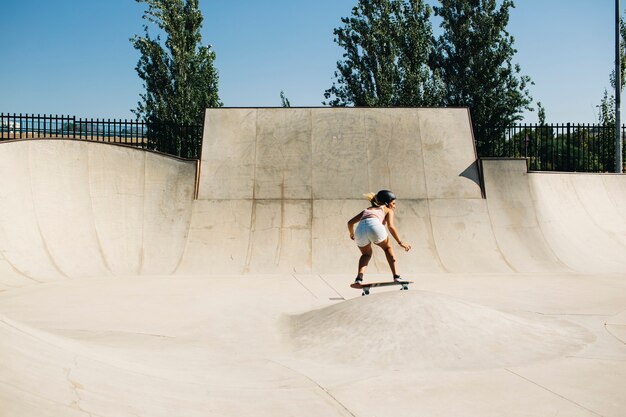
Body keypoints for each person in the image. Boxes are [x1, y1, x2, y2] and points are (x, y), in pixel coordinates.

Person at [347, 190, 411, 284]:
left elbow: (350, 223)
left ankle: (359, 279)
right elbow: (391, 227)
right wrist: (400, 242)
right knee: (387, 248)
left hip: (360, 230)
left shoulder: (367, 210)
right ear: (386, 203)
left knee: (366, 255)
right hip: (374, 227)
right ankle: (396, 276)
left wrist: (351, 234)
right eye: (393, 203)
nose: (394, 206)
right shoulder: (387, 210)